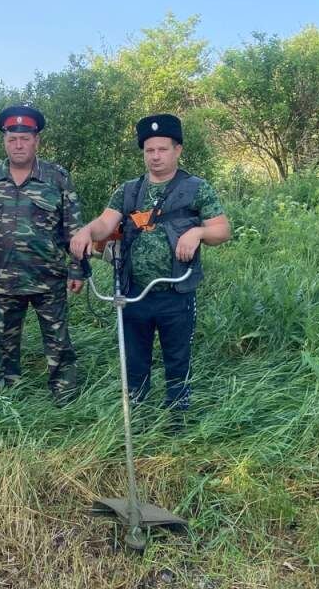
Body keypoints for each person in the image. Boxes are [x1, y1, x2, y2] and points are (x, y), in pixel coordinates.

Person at [70, 113, 230, 416]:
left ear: (177, 150)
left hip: (176, 294)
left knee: (177, 361)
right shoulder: (129, 190)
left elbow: (222, 230)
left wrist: (197, 232)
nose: (155, 157)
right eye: (149, 150)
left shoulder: (197, 188)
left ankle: (176, 422)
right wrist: (86, 231)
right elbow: (105, 224)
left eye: (162, 149)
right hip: (132, 294)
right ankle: (140, 420)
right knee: (135, 362)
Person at [0, 105, 86, 405]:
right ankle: (8, 396)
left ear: (37, 141)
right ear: (4, 141)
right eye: (12, 139)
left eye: (24, 138)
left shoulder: (57, 178)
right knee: (4, 343)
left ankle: (65, 396)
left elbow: (74, 226)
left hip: (49, 277)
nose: (18, 145)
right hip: (4, 277)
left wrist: (77, 268)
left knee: (58, 342)